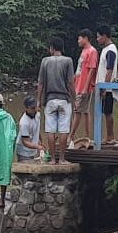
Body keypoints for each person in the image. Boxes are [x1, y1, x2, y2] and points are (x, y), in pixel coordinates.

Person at [36, 36, 75, 165]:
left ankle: (53, 159)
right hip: (64, 99)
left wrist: (38, 101)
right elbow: (70, 83)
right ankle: (62, 159)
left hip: (50, 100)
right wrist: (74, 100)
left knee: (50, 130)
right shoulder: (68, 61)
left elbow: (40, 83)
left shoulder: (45, 61)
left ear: (52, 48)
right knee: (64, 129)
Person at [95, 25, 118, 145]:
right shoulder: (106, 49)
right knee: (105, 112)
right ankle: (108, 136)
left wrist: (105, 86)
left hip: (107, 87)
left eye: (99, 37)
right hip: (103, 86)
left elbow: (109, 69)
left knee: (108, 112)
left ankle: (110, 136)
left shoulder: (111, 50)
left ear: (104, 36)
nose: (97, 39)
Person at [72, 28, 99, 142]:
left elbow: (92, 70)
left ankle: (71, 135)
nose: (78, 40)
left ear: (86, 38)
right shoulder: (84, 51)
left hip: (84, 86)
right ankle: (87, 136)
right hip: (78, 84)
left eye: (80, 38)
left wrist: (85, 88)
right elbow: (80, 69)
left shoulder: (92, 51)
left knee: (78, 110)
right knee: (84, 111)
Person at [16, 96, 45, 163]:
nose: (35, 109)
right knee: (25, 170)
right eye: (32, 108)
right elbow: (25, 142)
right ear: (26, 108)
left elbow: (37, 129)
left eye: (35, 107)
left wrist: (41, 141)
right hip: (24, 152)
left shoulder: (37, 114)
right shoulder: (24, 123)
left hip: (33, 150)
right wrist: (38, 147)